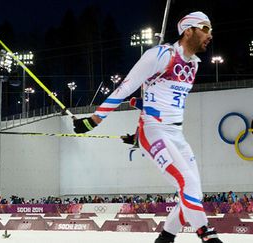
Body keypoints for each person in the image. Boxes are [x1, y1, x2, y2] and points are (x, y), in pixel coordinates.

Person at [73, 11, 222, 243]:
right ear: (188, 31)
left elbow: (163, 98)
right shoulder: (161, 55)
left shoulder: (193, 64)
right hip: (155, 131)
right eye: (205, 28)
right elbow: (126, 87)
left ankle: (166, 238)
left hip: (175, 134)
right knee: (188, 184)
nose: (209, 34)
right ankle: (207, 235)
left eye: (210, 29)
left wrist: (142, 108)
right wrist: (94, 120)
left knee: (194, 193)